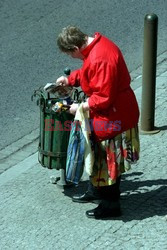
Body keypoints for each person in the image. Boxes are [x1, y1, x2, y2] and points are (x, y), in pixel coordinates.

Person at [52, 26, 140, 219]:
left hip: (113, 117)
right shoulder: (95, 48)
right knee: (98, 158)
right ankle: (97, 191)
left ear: (76, 47)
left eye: (69, 54)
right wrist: (70, 79)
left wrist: (81, 107)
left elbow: (103, 98)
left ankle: (110, 205)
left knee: (107, 163)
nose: (71, 58)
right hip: (114, 112)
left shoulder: (100, 58)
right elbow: (88, 71)